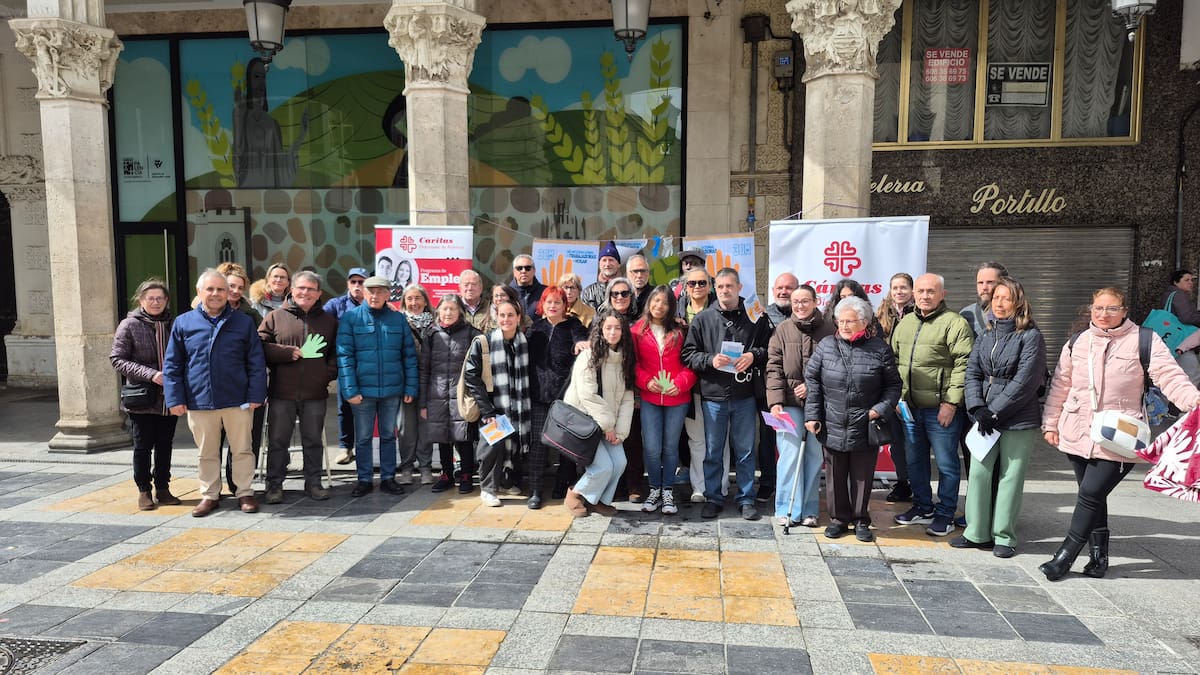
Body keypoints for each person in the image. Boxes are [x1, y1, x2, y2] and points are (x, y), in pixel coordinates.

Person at [1040, 287, 1200, 580]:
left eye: (1112, 309)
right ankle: (1099, 558)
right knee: (1094, 496)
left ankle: (1065, 556)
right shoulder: (1078, 341)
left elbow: (1170, 376)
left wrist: (1194, 400)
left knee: (1090, 493)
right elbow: (1061, 385)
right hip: (1077, 431)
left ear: (1124, 311)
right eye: (1099, 308)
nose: (1104, 314)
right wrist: (1050, 423)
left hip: (1120, 436)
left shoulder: (1143, 340)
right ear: (1091, 309)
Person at [951, 277, 1046, 557]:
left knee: (1010, 476)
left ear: (1019, 302)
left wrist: (995, 411)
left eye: (1006, 298)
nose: (1000, 304)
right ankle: (976, 532)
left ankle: (1004, 536)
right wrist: (977, 408)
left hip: (1018, 418)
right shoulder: (985, 335)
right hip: (984, 417)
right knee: (979, 473)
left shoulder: (1031, 336)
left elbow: (1026, 381)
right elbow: (972, 374)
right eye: (996, 299)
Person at [163, 269, 267, 517]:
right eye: (210, 289)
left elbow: (255, 361)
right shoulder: (184, 322)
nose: (215, 294)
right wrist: (175, 398)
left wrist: (256, 394)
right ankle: (209, 494)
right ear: (200, 292)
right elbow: (172, 364)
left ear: (228, 292)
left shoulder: (242, 322)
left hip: (237, 399)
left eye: (221, 289)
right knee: (206, 452)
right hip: (199, 400)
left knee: (242, 449)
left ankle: (244, 492)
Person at [805, 296, 902, 541]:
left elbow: (893, 386)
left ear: (865, 322)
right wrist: (813, 415)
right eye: (841, 321)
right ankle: (838, 519)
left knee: (862, 476)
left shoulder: (880, 348)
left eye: (851, 321)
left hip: (865, 422)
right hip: (832, 420)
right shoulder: (827, 345)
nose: (845, 326)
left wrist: (879, 409)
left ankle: (861, 520)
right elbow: (813, 381)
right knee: (835, 475)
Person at [681, 268, 772, 520]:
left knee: (745, 451)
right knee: (713, 451)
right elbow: (688, 354)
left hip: (744, 394)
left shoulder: (756, 316)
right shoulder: (703, 318)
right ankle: (713, 497)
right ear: (714, 288)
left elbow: (769, 348)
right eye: (720, 287)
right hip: (713, 396)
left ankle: (746, 499)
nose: (724, 291)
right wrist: (711, 360)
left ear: (739, 288)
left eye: (729, 286)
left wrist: (753, 356)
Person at [890, 273, 974, 537]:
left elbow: (964, 364)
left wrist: (951, 402)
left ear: (942, 295)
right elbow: (894, 361)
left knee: (947, 464)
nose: (925, 296)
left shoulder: (955, 323)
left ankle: (945, 513)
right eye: (921, 291)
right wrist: (897, 397)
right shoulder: (905, 323)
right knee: (915, 462)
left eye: (931, 291)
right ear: (914, 293)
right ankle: (922, 506)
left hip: (941, 410)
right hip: (910, 409)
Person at [259, 270, 338, 504]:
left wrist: (327, 374)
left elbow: (335, 354)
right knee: (278, 441)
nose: (305, 292)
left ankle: (313, 483)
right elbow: (259, 346)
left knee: (313, 440)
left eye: (310, 289)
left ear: (318, 293)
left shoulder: (329, 321)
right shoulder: (275, 316)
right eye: (301, 288)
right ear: (292, 290)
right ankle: (274, 485)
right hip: (281, 392)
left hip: (315, 393)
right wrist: (287, 353)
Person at [337, 275, 419, 498]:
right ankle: (364, 479)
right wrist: (350, 390)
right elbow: (345, 357)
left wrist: (410, 388)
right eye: (370, 291)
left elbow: (409, 356)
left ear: (387, 294)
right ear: (364, 293)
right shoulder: (351, 319)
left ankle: (388, 478)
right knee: (363, 437)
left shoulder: (397, 319)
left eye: (380, 291)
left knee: (388, 436)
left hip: (392, 391)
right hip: (362, 392)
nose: (375, 295)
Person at [766, 284, 834, 528]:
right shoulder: (782, 330)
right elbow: (773, 367)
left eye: (805, 301)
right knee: (789, 455)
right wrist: (775, 402)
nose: (800, 306)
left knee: (814, 456)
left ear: (816, 302)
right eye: (796, 302)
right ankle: (786, 508)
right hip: (788, 404)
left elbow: (835, 368)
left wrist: (812, 387)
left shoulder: (829, 330)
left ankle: (809, 509)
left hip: (819, 404)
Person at [110, 279, 181, 511]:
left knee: (165, 444)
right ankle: (144, 490)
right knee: (142, 446)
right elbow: (117, 360)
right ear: (141, 300)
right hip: (142, 395)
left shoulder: (175, 324)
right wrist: (151, 374)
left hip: (169, 396)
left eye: (160, 298)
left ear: (166, 300)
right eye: (150, 298)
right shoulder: (129, 325)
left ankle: (163, 487)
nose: (155, 302)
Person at [563, 310, 636, 517]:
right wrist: (609, 427)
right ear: (600, 330)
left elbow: (627, 399)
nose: (613, 332)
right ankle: (575, 494)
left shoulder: (625, 359)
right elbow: (588, 396)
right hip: (585, 423)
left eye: (618, 328)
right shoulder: (589, 356)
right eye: (608, 328)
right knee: (603, 466)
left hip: (607, 426)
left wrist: (619, 432)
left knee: (620, 463)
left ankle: (598, 500)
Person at [462, 298, 533, 506]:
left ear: (519, 318)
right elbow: (472, 377)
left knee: (512, 443)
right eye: (502, 315)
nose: (506, 319)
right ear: (496, 317)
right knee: (492, 446)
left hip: (517, 405)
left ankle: (506, 480)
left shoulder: (523, 343)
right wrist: (487, 411)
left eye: (511, 315)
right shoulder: (483, 342)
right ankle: (488, 488)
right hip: (493, 405)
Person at [632, 286, 696, 515]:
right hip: (650, 397)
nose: (659, 306)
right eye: (656, 301)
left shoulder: (680, 330)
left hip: (677, 398)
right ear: (649, 303)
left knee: (670, 447)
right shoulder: (637, 331)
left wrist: (680, 383)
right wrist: (646, 381)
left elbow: (691, 362)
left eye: (665, 302)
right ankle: (654, 490)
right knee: (651, 447)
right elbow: (633, 364)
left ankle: (667, 490)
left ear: (671, 306)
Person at [527, 286, 589, 508]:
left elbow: (582, 339)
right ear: (542, 304)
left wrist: (582, 342)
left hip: (565, 396)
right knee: (538, 443)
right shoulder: (535, 329)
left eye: (558, 302)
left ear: (565, 305)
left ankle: (563, 485)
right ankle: (535, 489)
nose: (553, 306)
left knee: (565, 444)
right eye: (549, 302)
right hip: (538, 396)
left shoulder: (573, 326)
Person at [420, 293, 482, 495]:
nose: (448, 313)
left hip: (462, 394)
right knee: (442, 436)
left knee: (463, 436)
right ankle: (446, 474)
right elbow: (424, 369)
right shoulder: (431, 334)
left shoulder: (472, 334)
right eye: (444, 308)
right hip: (436, 394)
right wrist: (423, 403)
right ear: (438, 311)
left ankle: (465, 474)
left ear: (460, 312)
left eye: (452, 309)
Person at [677, 267, 726, 502]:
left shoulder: (722, 308)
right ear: (685, 286)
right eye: (692, 283)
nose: (697, 287)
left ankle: (721, 486)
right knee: (696, 440)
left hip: (718, 385)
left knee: (720, 441)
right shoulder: (675, 310)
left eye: (702, 283)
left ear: (711, 285)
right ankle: (699, 487)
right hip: (689, 386)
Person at [218, 264, 265, 495]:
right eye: (230, 286)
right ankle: (212, 488)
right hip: (213, 388)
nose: (235, 291)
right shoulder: (201, 311)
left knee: (242, 441)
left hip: (242, 384)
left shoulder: (250, 314)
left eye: (240, 287)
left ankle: (238, 485)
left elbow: (260, 346)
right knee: (213, 443)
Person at [233, 56, 308, 188]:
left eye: (263, 77)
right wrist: (239, 114)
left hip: (269, 194)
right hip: (248, 191)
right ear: (249, 80)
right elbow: (238, 153)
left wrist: (302, 134)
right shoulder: (242, 115)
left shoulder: (271, 123)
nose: (261, 82)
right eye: (256, 76)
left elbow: (282, 164)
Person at [601, 276, 644, 500]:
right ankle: (613, 486)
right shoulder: (601, 320)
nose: (620, 297)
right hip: (606, 391)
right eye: (615, 294)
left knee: (633, 439)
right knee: (607, 439)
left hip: (632, 388)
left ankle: (634, 485)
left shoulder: (640, 322)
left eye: (624, 293)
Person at [875, 272, 915, 503]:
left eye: (904, 287)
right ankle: (902, 483)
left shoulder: (918, 313)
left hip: (912, 386)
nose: (899, 291)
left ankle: (918, 484)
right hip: (889, 386)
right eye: (895, 287)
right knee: (897, 440)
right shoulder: (881, 315)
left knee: (914, 441)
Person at [323, 266, 368, 465]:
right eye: (353, 282)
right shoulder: (336, 304)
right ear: (348, 284)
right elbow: (321, 325)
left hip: (370, 364)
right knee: (345, 407)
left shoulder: (375, 303)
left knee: (369, 408)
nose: (357, 285)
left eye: (361, 281)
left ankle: (365, 447)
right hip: (346, 364)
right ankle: (345, 447)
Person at [399, 284, 436, 485]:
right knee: (406, 429)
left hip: (429, 385)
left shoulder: (435, 324)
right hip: (405, 385)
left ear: (425, 300)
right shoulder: (399, 322)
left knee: (425, 429)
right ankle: (406, 467)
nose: (414, 303)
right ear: (404, 302)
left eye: (417, 298)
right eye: (409, 299)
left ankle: (425, 467)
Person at [1161, 269, 1200, 386]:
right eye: (1186, 280)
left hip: (1171, 337)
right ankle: (1187, 402)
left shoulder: (1169, 294)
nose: (1191, 283)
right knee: (1193, 374)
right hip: (1181, 339)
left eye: (1192, 280)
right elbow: (1186, 317)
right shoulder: (1179, 295)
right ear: (1176, 282)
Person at [961, 262, 1009, 337]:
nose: (984, 288)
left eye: (990, 282)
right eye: (980, 283)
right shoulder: (966, 315)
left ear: (1004, 283)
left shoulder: (1018, 313)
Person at [582, 241, 623, 309]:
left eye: (611, 260)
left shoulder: (627, 289)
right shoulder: (588, 292)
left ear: (618, 264)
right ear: (599, 264)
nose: (607, 264)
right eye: (604, 260)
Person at [509, 254, 547, 319]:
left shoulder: (545, 292)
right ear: (514, 272)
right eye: (519, 268)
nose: (523, 271)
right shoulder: (507, 292)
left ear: (534, 271)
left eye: (528, 268)